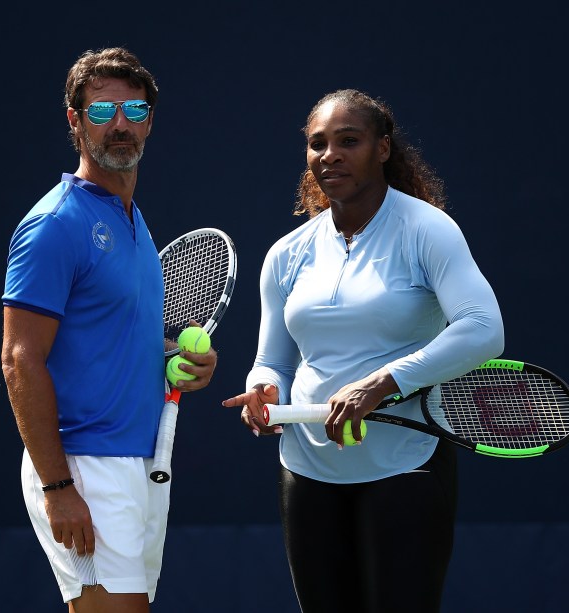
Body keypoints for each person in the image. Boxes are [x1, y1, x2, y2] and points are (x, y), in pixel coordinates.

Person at [222, 89, 504, 613]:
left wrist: (380, 383)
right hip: (307, 469)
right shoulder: (287, 254)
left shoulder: (428, 230)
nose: (330, 155)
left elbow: (484, 328)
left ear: (383, 148)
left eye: (348, 141)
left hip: (407, 467)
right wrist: (264, 389)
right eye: (318, 144)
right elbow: (274, 360)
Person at [0, 47, 217, 613]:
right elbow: (19, 359)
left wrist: (173, 357)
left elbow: (114, 338)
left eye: (133, 110)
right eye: (101, 112)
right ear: (75, 122)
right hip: (83, 466)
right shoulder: (54, 224)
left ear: (149, 120)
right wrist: (58, 488)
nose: (120, 124)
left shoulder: (133, 218)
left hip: (139, 464)